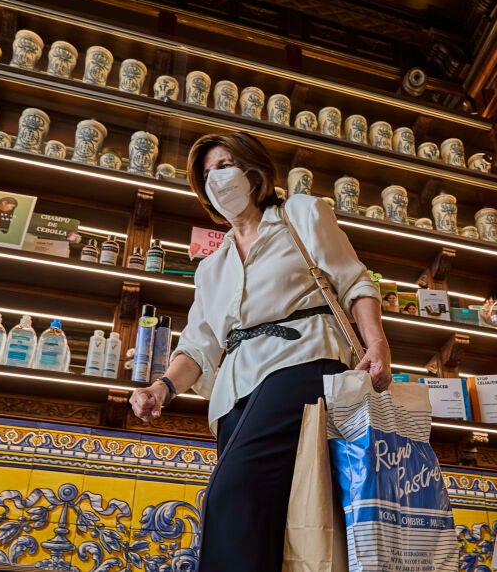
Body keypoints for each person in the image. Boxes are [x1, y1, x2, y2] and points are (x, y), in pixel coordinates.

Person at [129, 132, 392, 570]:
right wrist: (162, 388)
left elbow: (354, 282)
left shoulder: (301, 214)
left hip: (303, 363)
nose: (217, 178)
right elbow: (199, 345)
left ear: (253, 171)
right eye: (207, 174)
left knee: (232, 494)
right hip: (233, 394)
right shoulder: (211, 267)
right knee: (266, 521)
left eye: (225, 165)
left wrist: (377, 343)